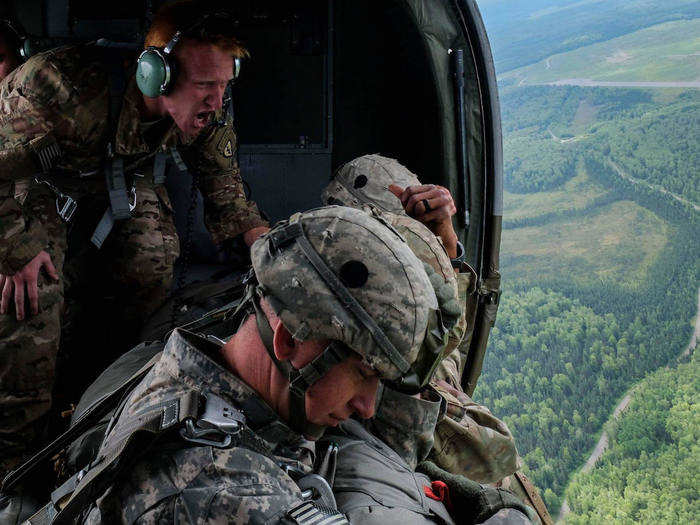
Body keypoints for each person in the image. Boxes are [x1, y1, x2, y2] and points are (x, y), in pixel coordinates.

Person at [8, 206, 457, 523]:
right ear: (288, 339)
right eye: (363, 373)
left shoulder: (206, 371)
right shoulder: (224, 498)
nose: (367, 405)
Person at [0, 2, 269, 479]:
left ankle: (99, 405)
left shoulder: (211, 110)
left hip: (121, 179)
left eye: (225, 85)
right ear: (155, 76)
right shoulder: (56, 86)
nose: (216, 99)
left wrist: (267, 247)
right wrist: (15, 251)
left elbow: (224, 189)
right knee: (30, 297)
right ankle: (15, 460)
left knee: (151, 260)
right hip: (35, 185)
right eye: (205, 85)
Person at [321, 155, 552, 524]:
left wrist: (445, 245)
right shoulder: (361, 364)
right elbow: (492, 456)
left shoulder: (412, 344)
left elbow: (449, 342)